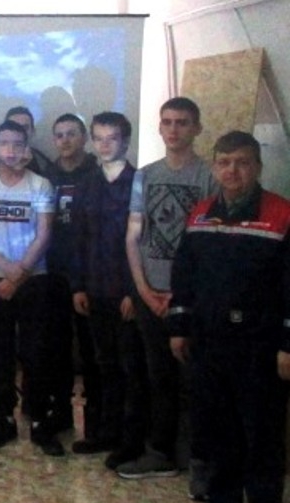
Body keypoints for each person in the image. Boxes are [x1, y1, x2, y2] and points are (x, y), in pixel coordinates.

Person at [169, 131, 290, 503]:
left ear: (257, 167)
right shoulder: (201, 214)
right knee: (216, 431)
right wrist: (179, 326)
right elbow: (184, 275)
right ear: (215, 167)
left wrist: (287, 343)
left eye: (241, 162)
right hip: (209, 342)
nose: (232, 171)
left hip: (260, 348)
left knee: (261, 439)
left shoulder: (281, 215)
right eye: (224, 162)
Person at [121, 97, 217, 483]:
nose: (174, 129)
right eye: (167, 122)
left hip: (189, 299)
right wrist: (143, 289)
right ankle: (160, 452)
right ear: (159, 128)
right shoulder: (145, 176)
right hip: (150, 292)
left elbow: (210, 245)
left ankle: (200, 460)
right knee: (158, 377)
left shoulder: (209, 176)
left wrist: (182, 297)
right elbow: (133, 237)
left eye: (182, 122)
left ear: (196, 128)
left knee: (195, 381)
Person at [0, 119, 64, 457]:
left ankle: (38, 421)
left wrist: (19, 273)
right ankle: (3, 419)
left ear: (26, 147)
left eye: (17, 144)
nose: (11, 150)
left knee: (36, 353)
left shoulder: (40, 185)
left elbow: (44, 234)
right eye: (4, 143)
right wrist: (6, 271)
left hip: (34, 279)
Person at [70, 112, 147, 468]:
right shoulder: (86, 183)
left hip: (128, 291)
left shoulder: (139, 182)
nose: (103, 145)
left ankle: (131, 441)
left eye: (111, 138)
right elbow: (78, 239)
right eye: (98, 138)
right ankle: (104, 432)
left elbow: (144, 242)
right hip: (94, 288)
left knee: (131, 368)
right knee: (103, 365)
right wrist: (78, 285)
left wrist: (134, 291)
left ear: (125, 142)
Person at [42, 113, 100, 435]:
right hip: (52, 272)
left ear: (84, 138)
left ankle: (95, 419)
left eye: (71, 133)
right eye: (59, 135)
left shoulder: (97, 174)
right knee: (56, 347)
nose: (65, 140)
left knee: (92, 350)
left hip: (89, 274)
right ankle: (60, 413)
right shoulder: (46, 177)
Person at [0, 106, 54, 177]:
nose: (20, 132)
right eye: (13, 127)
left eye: (25, 127)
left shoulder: (42, 163)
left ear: (33, 131)